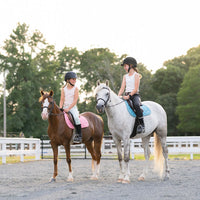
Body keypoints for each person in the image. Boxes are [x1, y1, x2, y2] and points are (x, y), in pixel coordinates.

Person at [118, 57, 145, 134]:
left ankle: (142, 124)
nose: (124, 68)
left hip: (134, 95)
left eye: (125, 66)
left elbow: (136, 89)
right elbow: (122, 88)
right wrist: (118, 96)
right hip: (126, 95)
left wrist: (129, 96)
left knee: (136, 105)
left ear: (131, 65)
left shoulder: (136, 75)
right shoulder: (125, 76)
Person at [59, 71, 82, 143]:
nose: (75, 81)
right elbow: (62, 99)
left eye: (75, 79)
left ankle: (79, 135)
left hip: (72, 107)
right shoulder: (63, 89)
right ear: (68, 80)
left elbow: (75, 101)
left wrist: (68, 109)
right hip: (64, 107)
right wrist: (60, 107)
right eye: (73, 79)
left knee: (76, 118)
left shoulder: (76, 89)